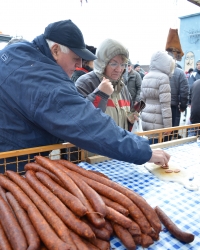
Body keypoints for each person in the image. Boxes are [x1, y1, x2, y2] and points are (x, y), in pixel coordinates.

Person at [0, 19, 170, 168]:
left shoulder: (16, 51)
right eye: (76, 58)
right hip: (10, 166)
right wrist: (143, 151)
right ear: (56, 50)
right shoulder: (45, 82)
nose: (79, 65)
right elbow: (87, 123)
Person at [75, 38, 137, 131]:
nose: (119, 69)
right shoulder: (86, 83)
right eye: (114, 64)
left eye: (123, 64)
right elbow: (80, 121)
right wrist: (100, 95)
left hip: (118, 145)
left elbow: (124, 124)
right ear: (102, 63)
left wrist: (130, 121)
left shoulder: (122, 87)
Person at [140, 51, 175, 144]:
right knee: (158, 148)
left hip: (146, 117)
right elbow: (165, 105)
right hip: (158, 120)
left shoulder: (146, 77)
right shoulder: (163, 78)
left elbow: (142, 100)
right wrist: (168, 127)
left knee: (149, 146)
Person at [169, 64, 189, 131]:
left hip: (157, 106)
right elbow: (184, 92)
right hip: (173, 106)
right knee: (170, 132)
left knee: (155, 135)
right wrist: (183, 106)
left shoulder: (156, 71)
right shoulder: (180, 72)